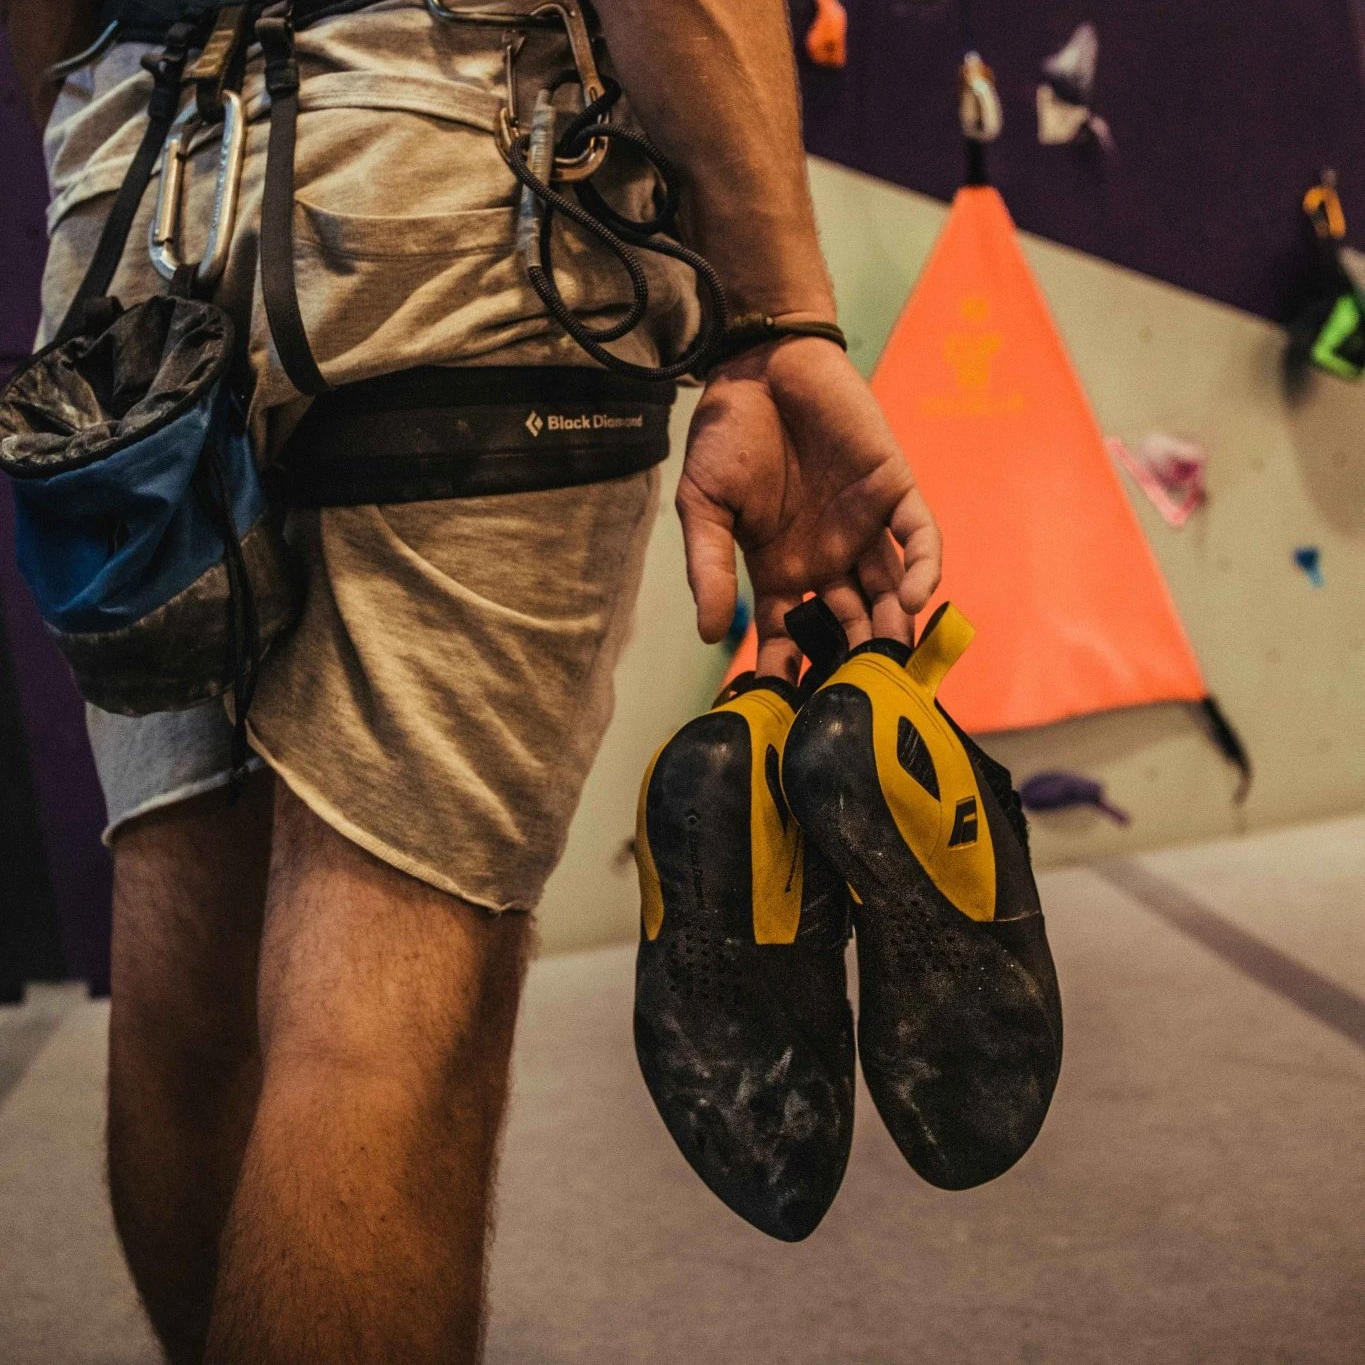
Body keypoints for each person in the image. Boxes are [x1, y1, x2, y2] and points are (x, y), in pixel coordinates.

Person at [3, 1, 942, 1360]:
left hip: (136, 197)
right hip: (460, 183)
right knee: (376, 1039)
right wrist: (776, 320)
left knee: (186, 998)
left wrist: (115, 128)